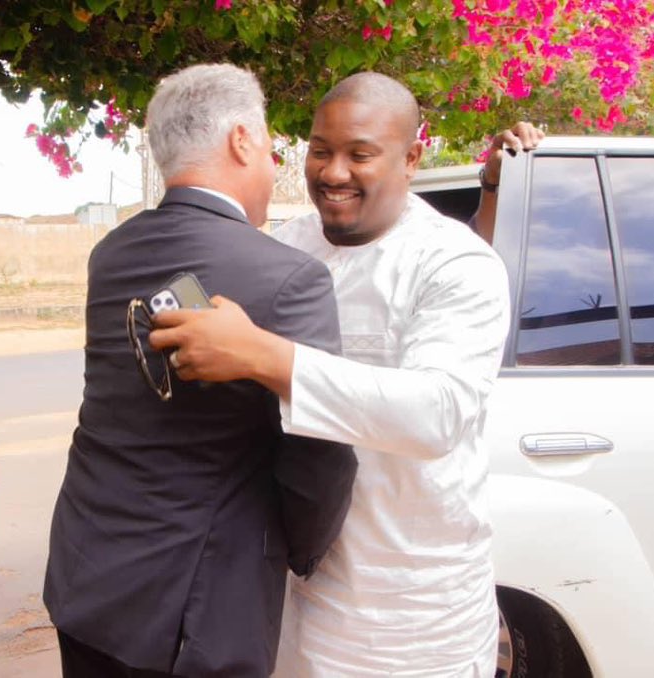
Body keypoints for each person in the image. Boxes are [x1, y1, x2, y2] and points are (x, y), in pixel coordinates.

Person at [150, 74, 538, 676]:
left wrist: (263, 354)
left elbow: (436, 413)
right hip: (294, 589)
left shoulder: (457, 264)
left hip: (410, 608)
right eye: (320, 150)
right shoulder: (286, 245)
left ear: (410, 158)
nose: (333, 173)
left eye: (360, 155)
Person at [43, 63, 357, 678]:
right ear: (242, 140)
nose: (273, 165)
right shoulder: (288, 276)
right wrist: (306, 550)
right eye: (271, 147)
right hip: (193, 606)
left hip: (87, 574)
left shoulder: (112, 253)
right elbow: (318, 452)